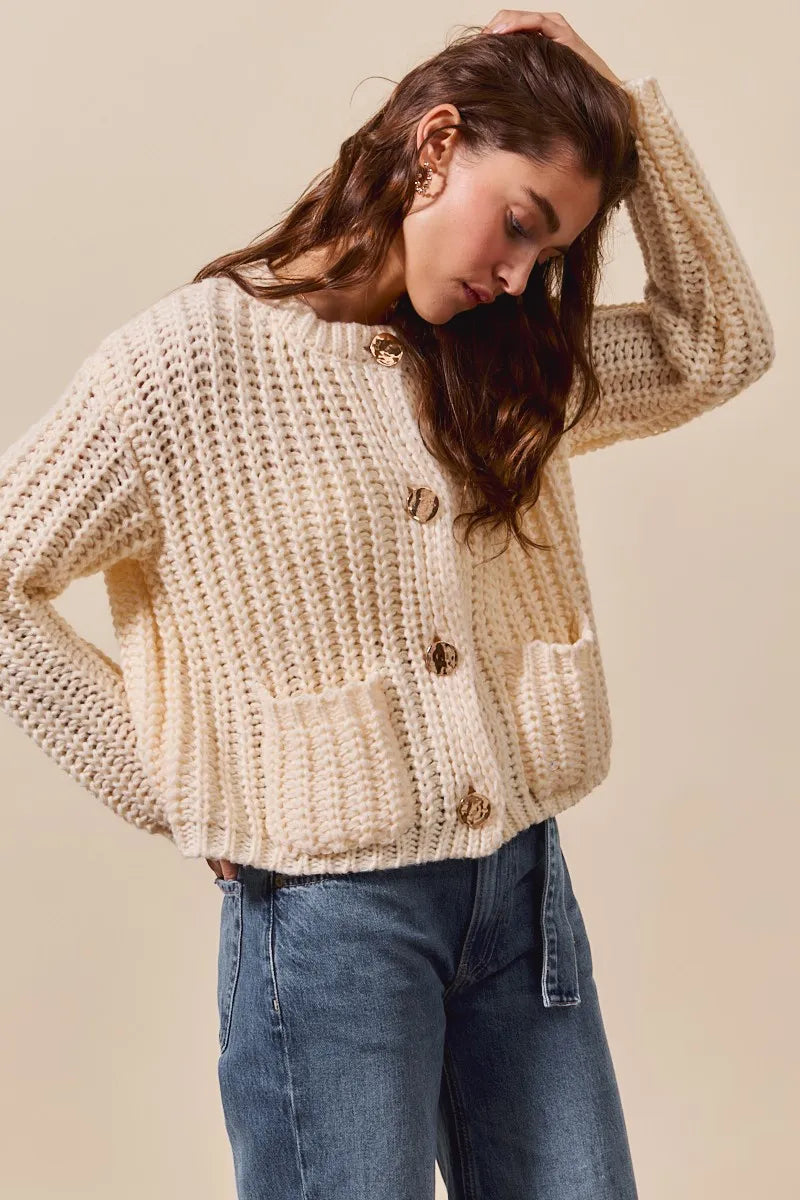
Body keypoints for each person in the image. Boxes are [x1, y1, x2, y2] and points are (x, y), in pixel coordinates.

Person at [0, 12, 775, 1200]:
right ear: (435, 143)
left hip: (520, 891)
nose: (517, 273)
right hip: (329, 928)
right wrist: (178, 781)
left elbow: (714, 346)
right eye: (519, 221)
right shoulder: (186, 371)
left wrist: (625, 113)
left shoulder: (505, 364)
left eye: (549, 250)